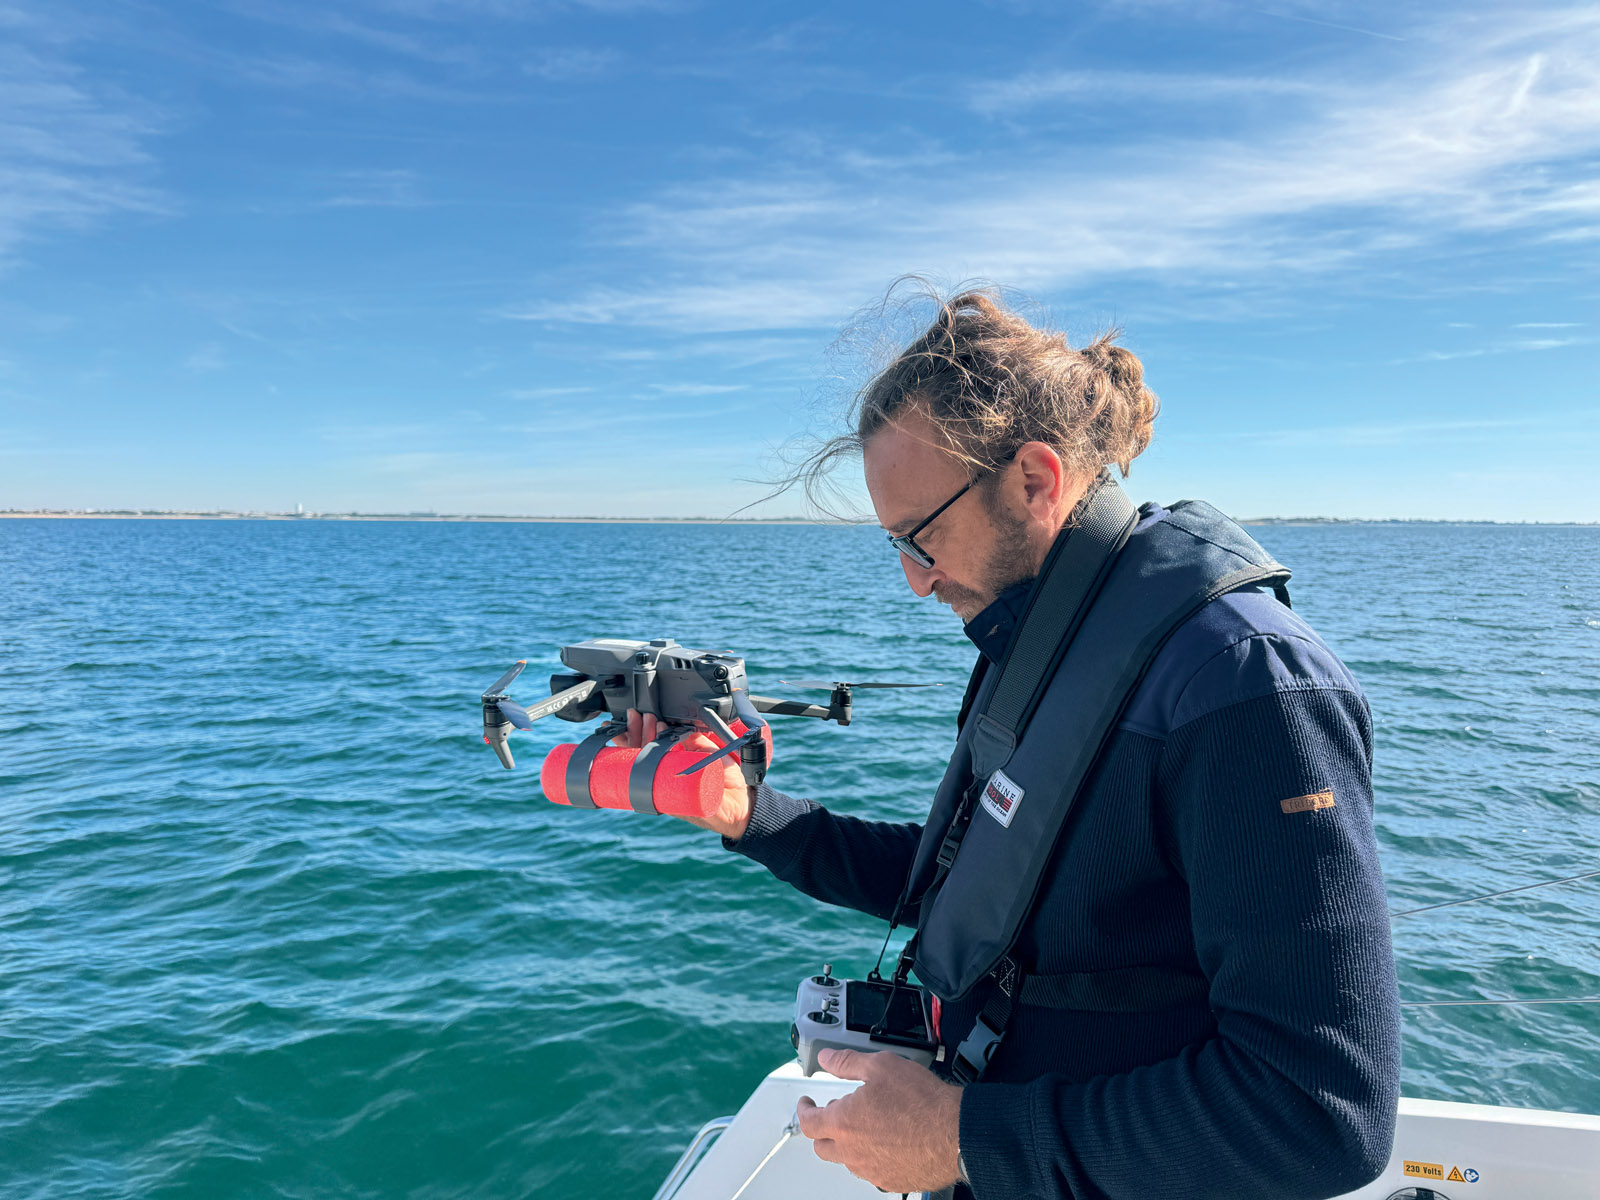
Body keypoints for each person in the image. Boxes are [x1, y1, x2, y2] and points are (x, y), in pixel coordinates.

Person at [614, 289, 1401, 1199]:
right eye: (895, 547)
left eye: (923, 537)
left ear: (1035, 478)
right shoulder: (1042, 638)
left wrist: (963, 1138)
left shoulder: (1244, 685)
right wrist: (754, 817)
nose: (915, 582)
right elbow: (975, 887)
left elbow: (1321, 1111)